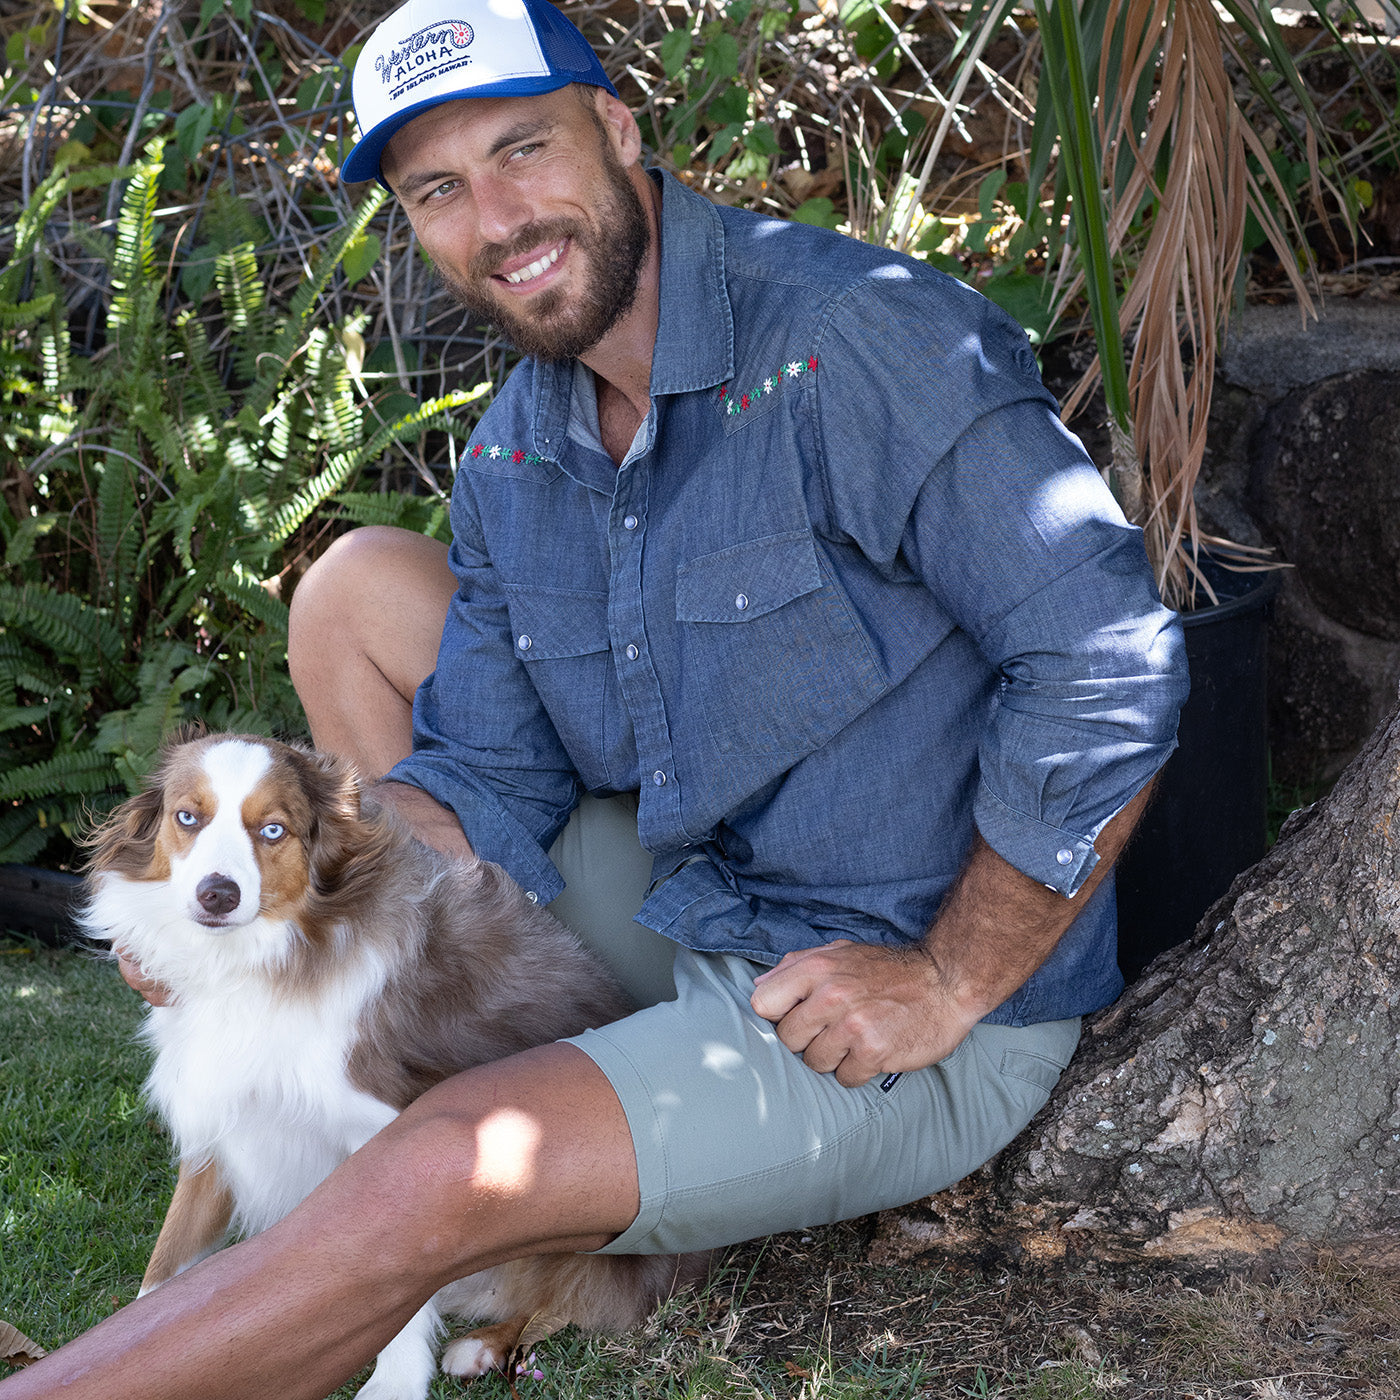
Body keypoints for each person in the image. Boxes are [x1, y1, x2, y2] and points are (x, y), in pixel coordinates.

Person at [0, 1, 1188, 1396]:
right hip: (695, 895)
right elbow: (484, 778)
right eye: (440, 190)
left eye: (525, 150)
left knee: (447, 1162)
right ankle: (394, 1056)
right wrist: (260, 893)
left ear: (618, 128)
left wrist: (949, 980)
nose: (498, 219)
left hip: (902, 991)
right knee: (355, 601)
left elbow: (1109, 657)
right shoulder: (521, 445)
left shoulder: (858, 341)